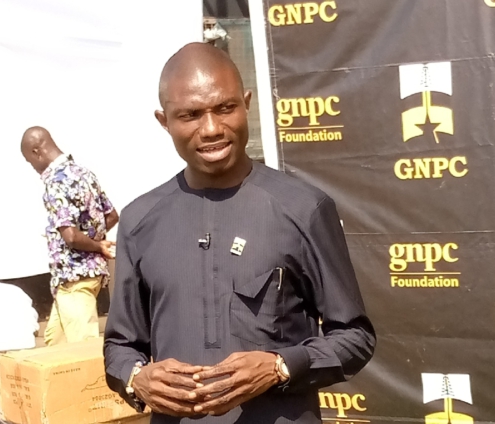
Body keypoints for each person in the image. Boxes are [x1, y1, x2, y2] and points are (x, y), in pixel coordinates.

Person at [104, 43, 375, 424]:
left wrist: (280, 366)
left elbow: (355, 337)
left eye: (225, 108)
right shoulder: (139, 220)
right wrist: (137, 379)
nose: (211, 129)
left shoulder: (303, 208)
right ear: (164, 121)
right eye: (190, 115)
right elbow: (120, 346)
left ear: (246, 104)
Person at [21, 127, 119, 346]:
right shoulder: (83, 173)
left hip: (74, 278)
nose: (33, 168)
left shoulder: (56, 182)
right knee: (55, 344)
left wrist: (97, 246)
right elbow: (111, 216)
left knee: (82, 348)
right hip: (82, 278)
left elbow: (71, 237)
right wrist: (96, 240)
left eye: (30, 161)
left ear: (37, 152)